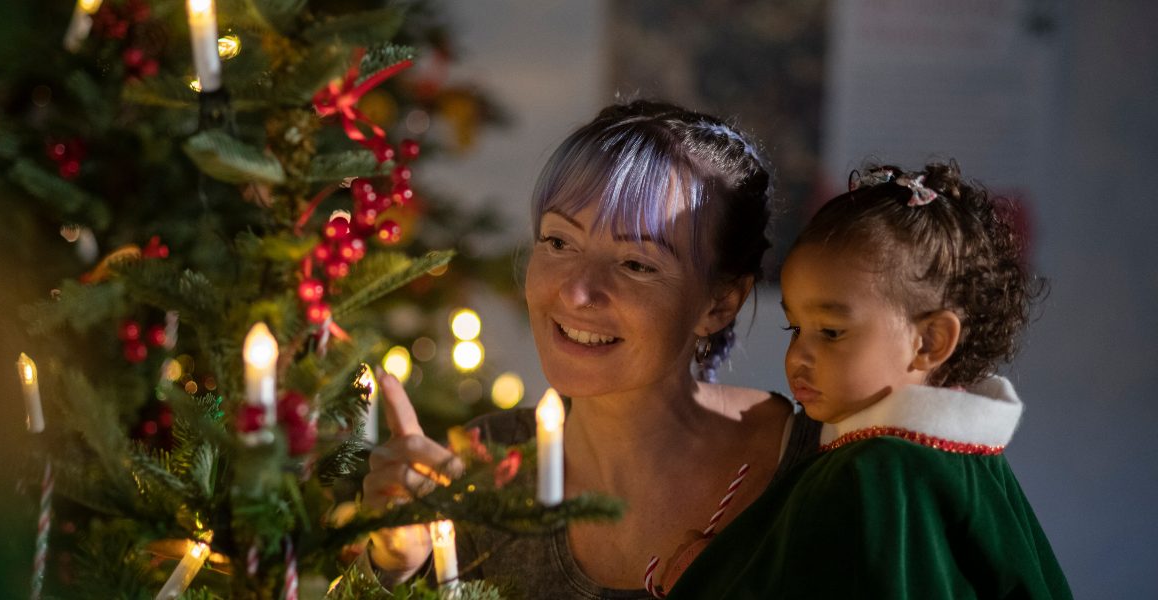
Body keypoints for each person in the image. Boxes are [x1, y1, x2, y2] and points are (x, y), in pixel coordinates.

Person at [359, 100, 821, 598]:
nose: (577, 292)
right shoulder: (480, 469)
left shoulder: (813, 468)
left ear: (720, 303)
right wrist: (390, 567)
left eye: (636, 264)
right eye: (559, 242)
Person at [668, 162, 1073, 599]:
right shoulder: (974, 466)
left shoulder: (876, 474)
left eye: (831, 332)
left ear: (930, 341)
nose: (799, 355)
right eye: (795, 328)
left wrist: (706, 579)